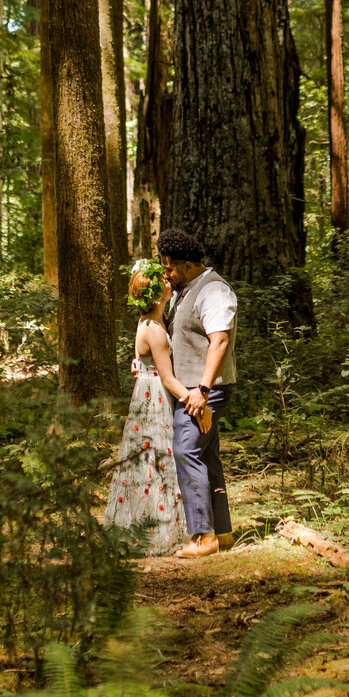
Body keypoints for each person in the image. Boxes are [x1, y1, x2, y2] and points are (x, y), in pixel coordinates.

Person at [158, 226, 238, 559]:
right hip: (191, 388)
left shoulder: (214, 291)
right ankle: (222, 532)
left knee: (186, 448)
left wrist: (202, 389)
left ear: (188, 265)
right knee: (206, 454)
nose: (167, 273)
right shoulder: (183, 289)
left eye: (171, 267)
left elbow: (219, 340)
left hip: (207, 388)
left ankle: (202, 537)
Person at [103, 258, 190, 556]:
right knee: (158, 456)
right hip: (154, 394)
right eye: (164, 280)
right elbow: (167, 377)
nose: (169, 281)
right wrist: (193, 398)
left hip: (147, 387)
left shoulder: (153, 320)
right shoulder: (153, 327)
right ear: (156, 292)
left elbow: (141, 360)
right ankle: (158, 527)